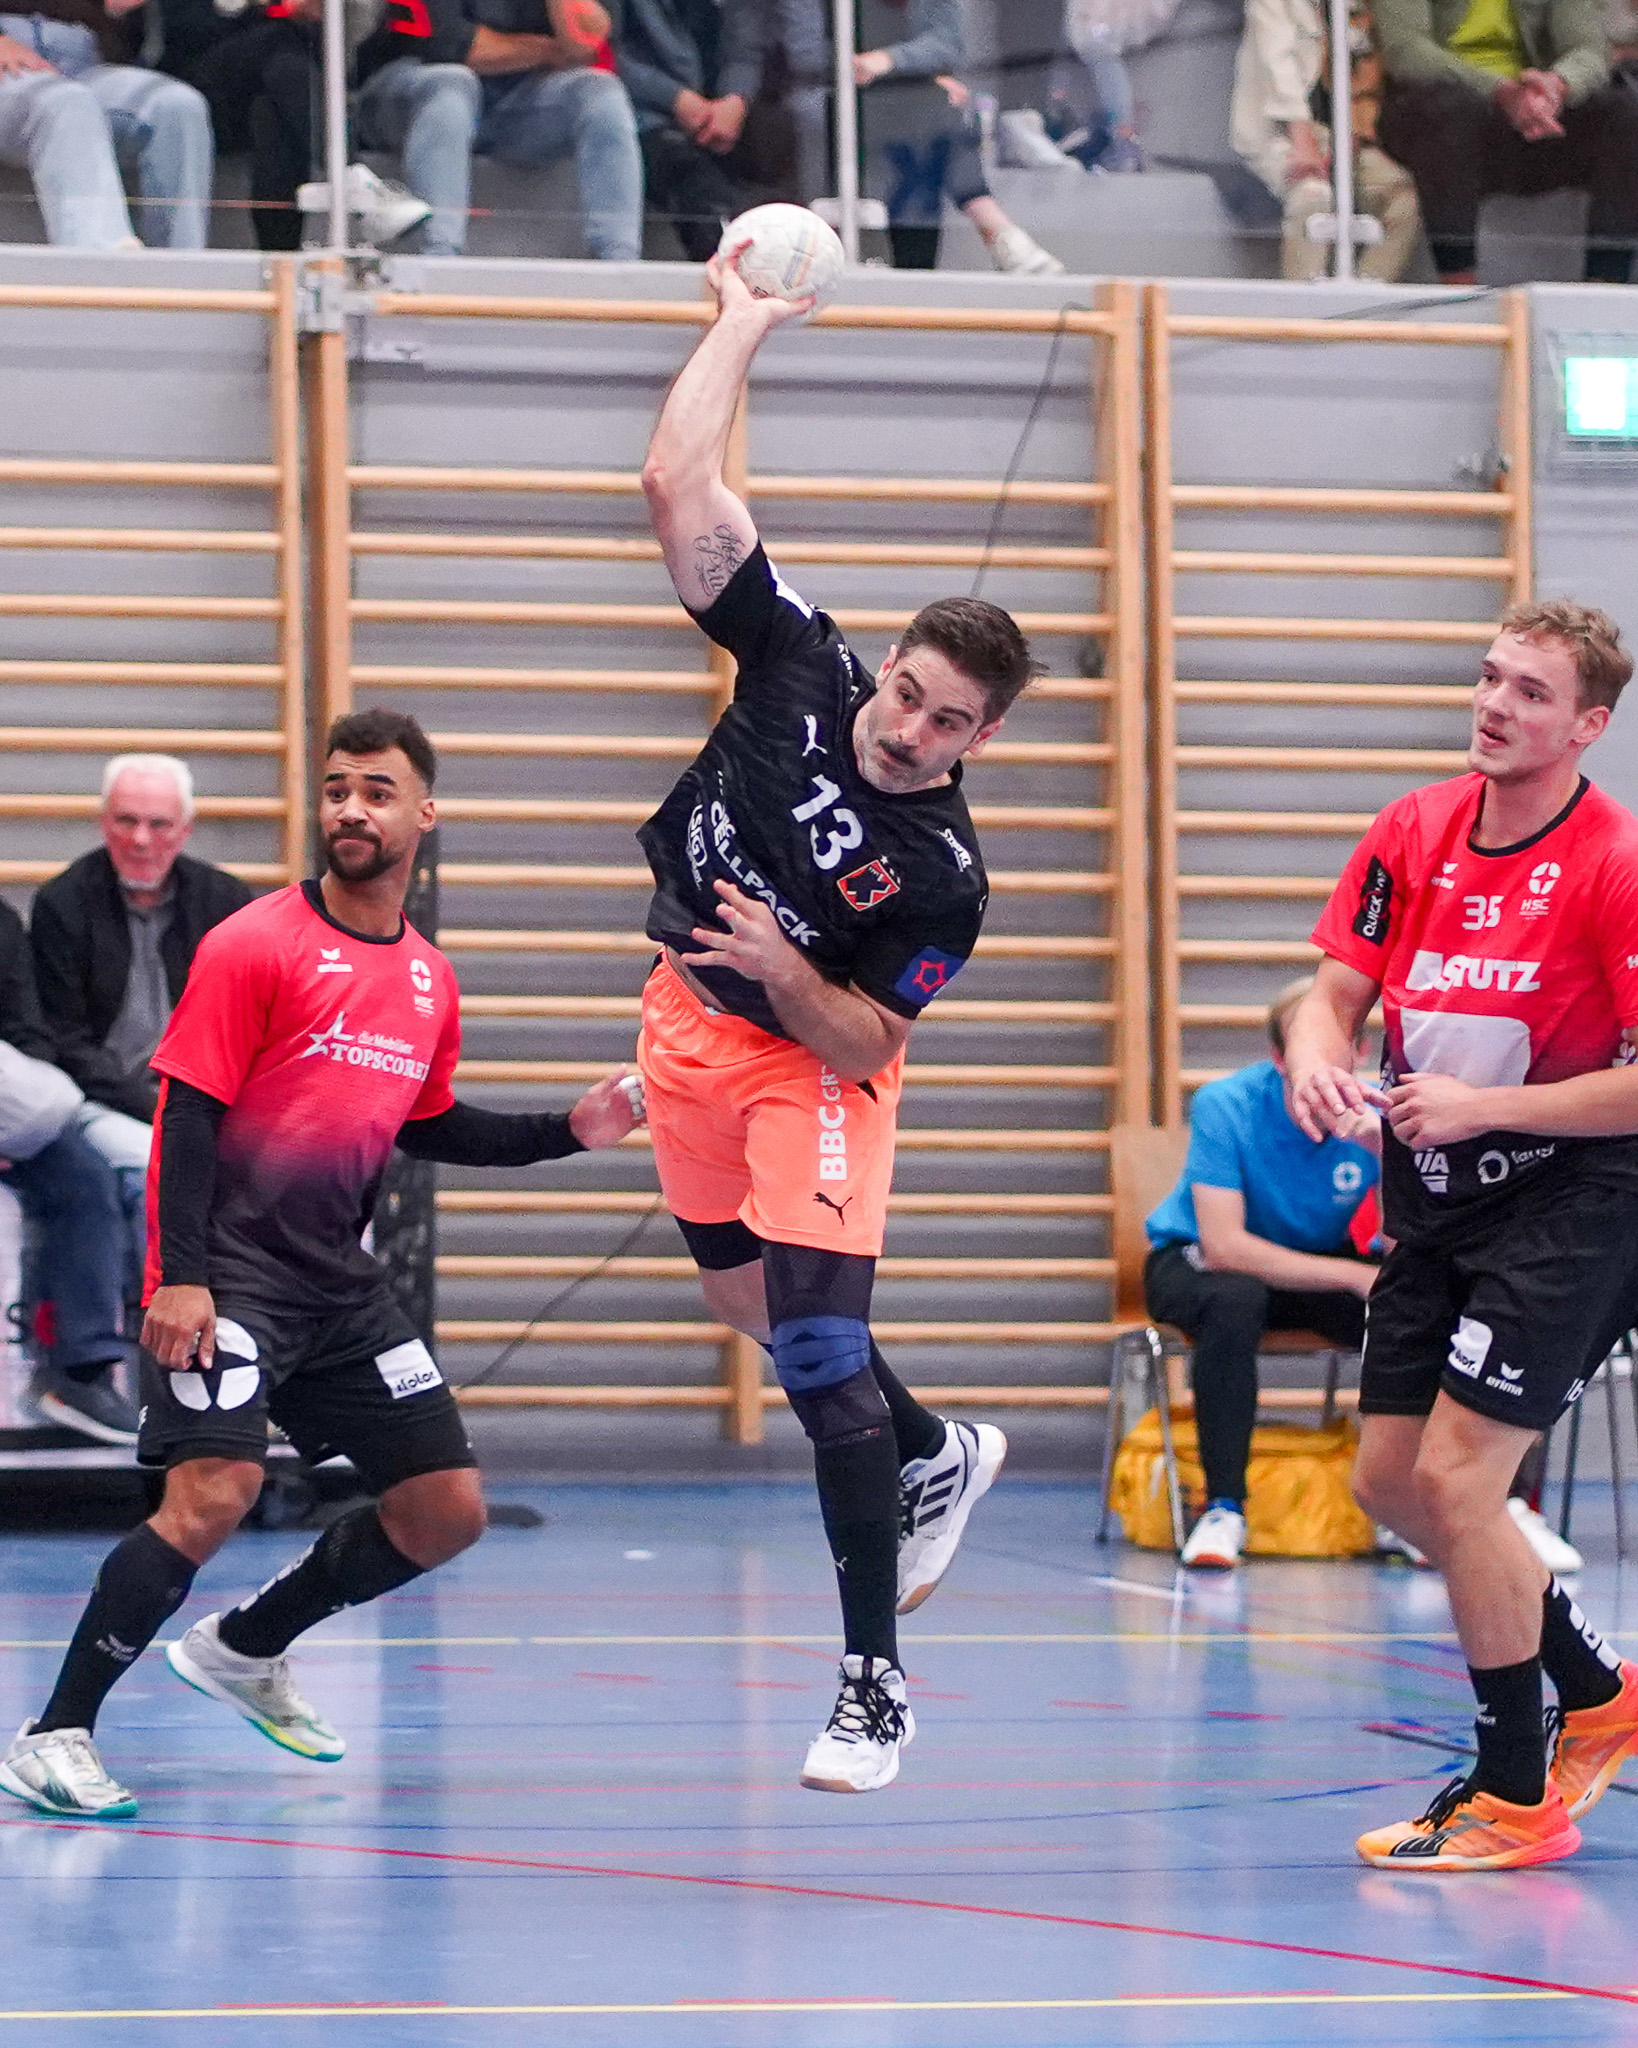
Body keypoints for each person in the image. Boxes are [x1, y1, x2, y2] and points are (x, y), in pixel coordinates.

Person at [0, 707, 643, 1821]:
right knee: (217, 1489)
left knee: (445, 1507)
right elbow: (185, 1112)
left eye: (378, 790)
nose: (352, 806)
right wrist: (179, 1273)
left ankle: (248, 1644)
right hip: (231, 1275)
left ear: (422, 814)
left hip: (337, 1288)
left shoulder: (431, 981)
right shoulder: (256, 940)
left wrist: (566, 1128)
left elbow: (426, 1122)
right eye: (338, 787)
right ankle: (54, 1730)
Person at [636, 243, 1029, 1796]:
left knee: (808, 1344)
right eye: (913, 692)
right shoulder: (800, 662)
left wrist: (791, 973)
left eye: (950, 723)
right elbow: (678, 481)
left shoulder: (943, 875)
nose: (912, 727)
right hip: (683, 1019)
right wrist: (742, 322)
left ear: (984, 737)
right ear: (894, 664)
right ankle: (934, 1447)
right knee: (748, 1311)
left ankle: (873, 1686)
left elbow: (871, 1043)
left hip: (811, 1065)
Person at [1287, 596, 1638, 1870]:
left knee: (1457, 1478)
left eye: (1531, 693)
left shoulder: (1613, 860)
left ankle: (1512, 1788)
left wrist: (1491, 1104)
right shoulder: (1414, 830)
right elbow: (1334, 992)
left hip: (1579, 1200)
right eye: (1490, 679)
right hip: (1438, 1206)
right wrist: (1314, 1062)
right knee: (1388, 1479)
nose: (1495, 705)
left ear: (1587, 725)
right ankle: (1598, 1693)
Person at [1144, 977, 1381, 1570]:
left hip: (1312, 1269)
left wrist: (1386, 1153)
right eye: (1310, 1046)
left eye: (1344, 1044)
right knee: (1234, 1300)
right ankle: (1223, 1507)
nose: (1331, 1062)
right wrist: (1353, 1278)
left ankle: (1418, 1509)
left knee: (1417, 1305)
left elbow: (1404, 1243)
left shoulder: (1380, 1113)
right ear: (1280, 1057)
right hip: (1198, 1262)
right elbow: (1224, 1247)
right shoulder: (1227, 1104)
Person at [31, 754, 252, 1255]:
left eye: (159, 824)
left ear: (186, 829)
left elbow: (251, 1026)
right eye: (126, 820)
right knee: (163, 1169)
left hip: (209, 1102)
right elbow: (64, 1041)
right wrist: (161, 1110)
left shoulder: (226, 902)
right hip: (105, 1104)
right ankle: (156, 1318)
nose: (141, 840)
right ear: (103, 822)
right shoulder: (62, 903)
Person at [354, 0, 644, 261]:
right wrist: (550, 50)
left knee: (601, 92)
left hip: (515, 104)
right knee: (453, 83)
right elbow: (458, 47)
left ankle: (619, 263)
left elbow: (587, 46)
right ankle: (438, 256)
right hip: (409, 91)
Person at [1373, 0, 1638, 283]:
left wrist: (1557, 86)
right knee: (1452, 110)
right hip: (1432, 109)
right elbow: (1406, 51)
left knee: (1627, 112)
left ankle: (1604, 291)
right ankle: (1458, 288)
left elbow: (1589, 48)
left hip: (1535, 111)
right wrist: (1500, 90)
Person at [0, 900, 136, 1444]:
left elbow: (28, 1034)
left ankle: (81, 1374)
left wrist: (11, 1118)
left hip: (11, 1114)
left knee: (88, 1182)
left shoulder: (2, 923)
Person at [855, 0, 1065, 274]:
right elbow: (807, 57)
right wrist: (918, 78)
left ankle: (984, 236)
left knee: (935, 112)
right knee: (936, 107)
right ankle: (996, 229)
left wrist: (890, 62)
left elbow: (947, 44)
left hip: (910, 113)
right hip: (831, 106)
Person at [1232, 0, 1421, 281]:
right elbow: (1277, 66)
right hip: (1279, 133)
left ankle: (1361, 309)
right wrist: (1303, 142)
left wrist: (1355, 135)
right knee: (1313, 198)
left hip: (1342, 136)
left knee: (1402, 201)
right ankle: (1304, 319)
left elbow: (1363, 74)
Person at [0, 0, 211, 248]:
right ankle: (103, 266)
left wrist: (115, 13)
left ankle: (183, 272)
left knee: (178, 105)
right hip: (10, 53)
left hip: (81, 52)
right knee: (68, 103)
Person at [607, 0, 765, 260]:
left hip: (722, 115)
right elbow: (599, 50)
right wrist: (674, 98)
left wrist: (736, 98)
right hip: (638, 115)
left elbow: (746, 45)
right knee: (694, 183)